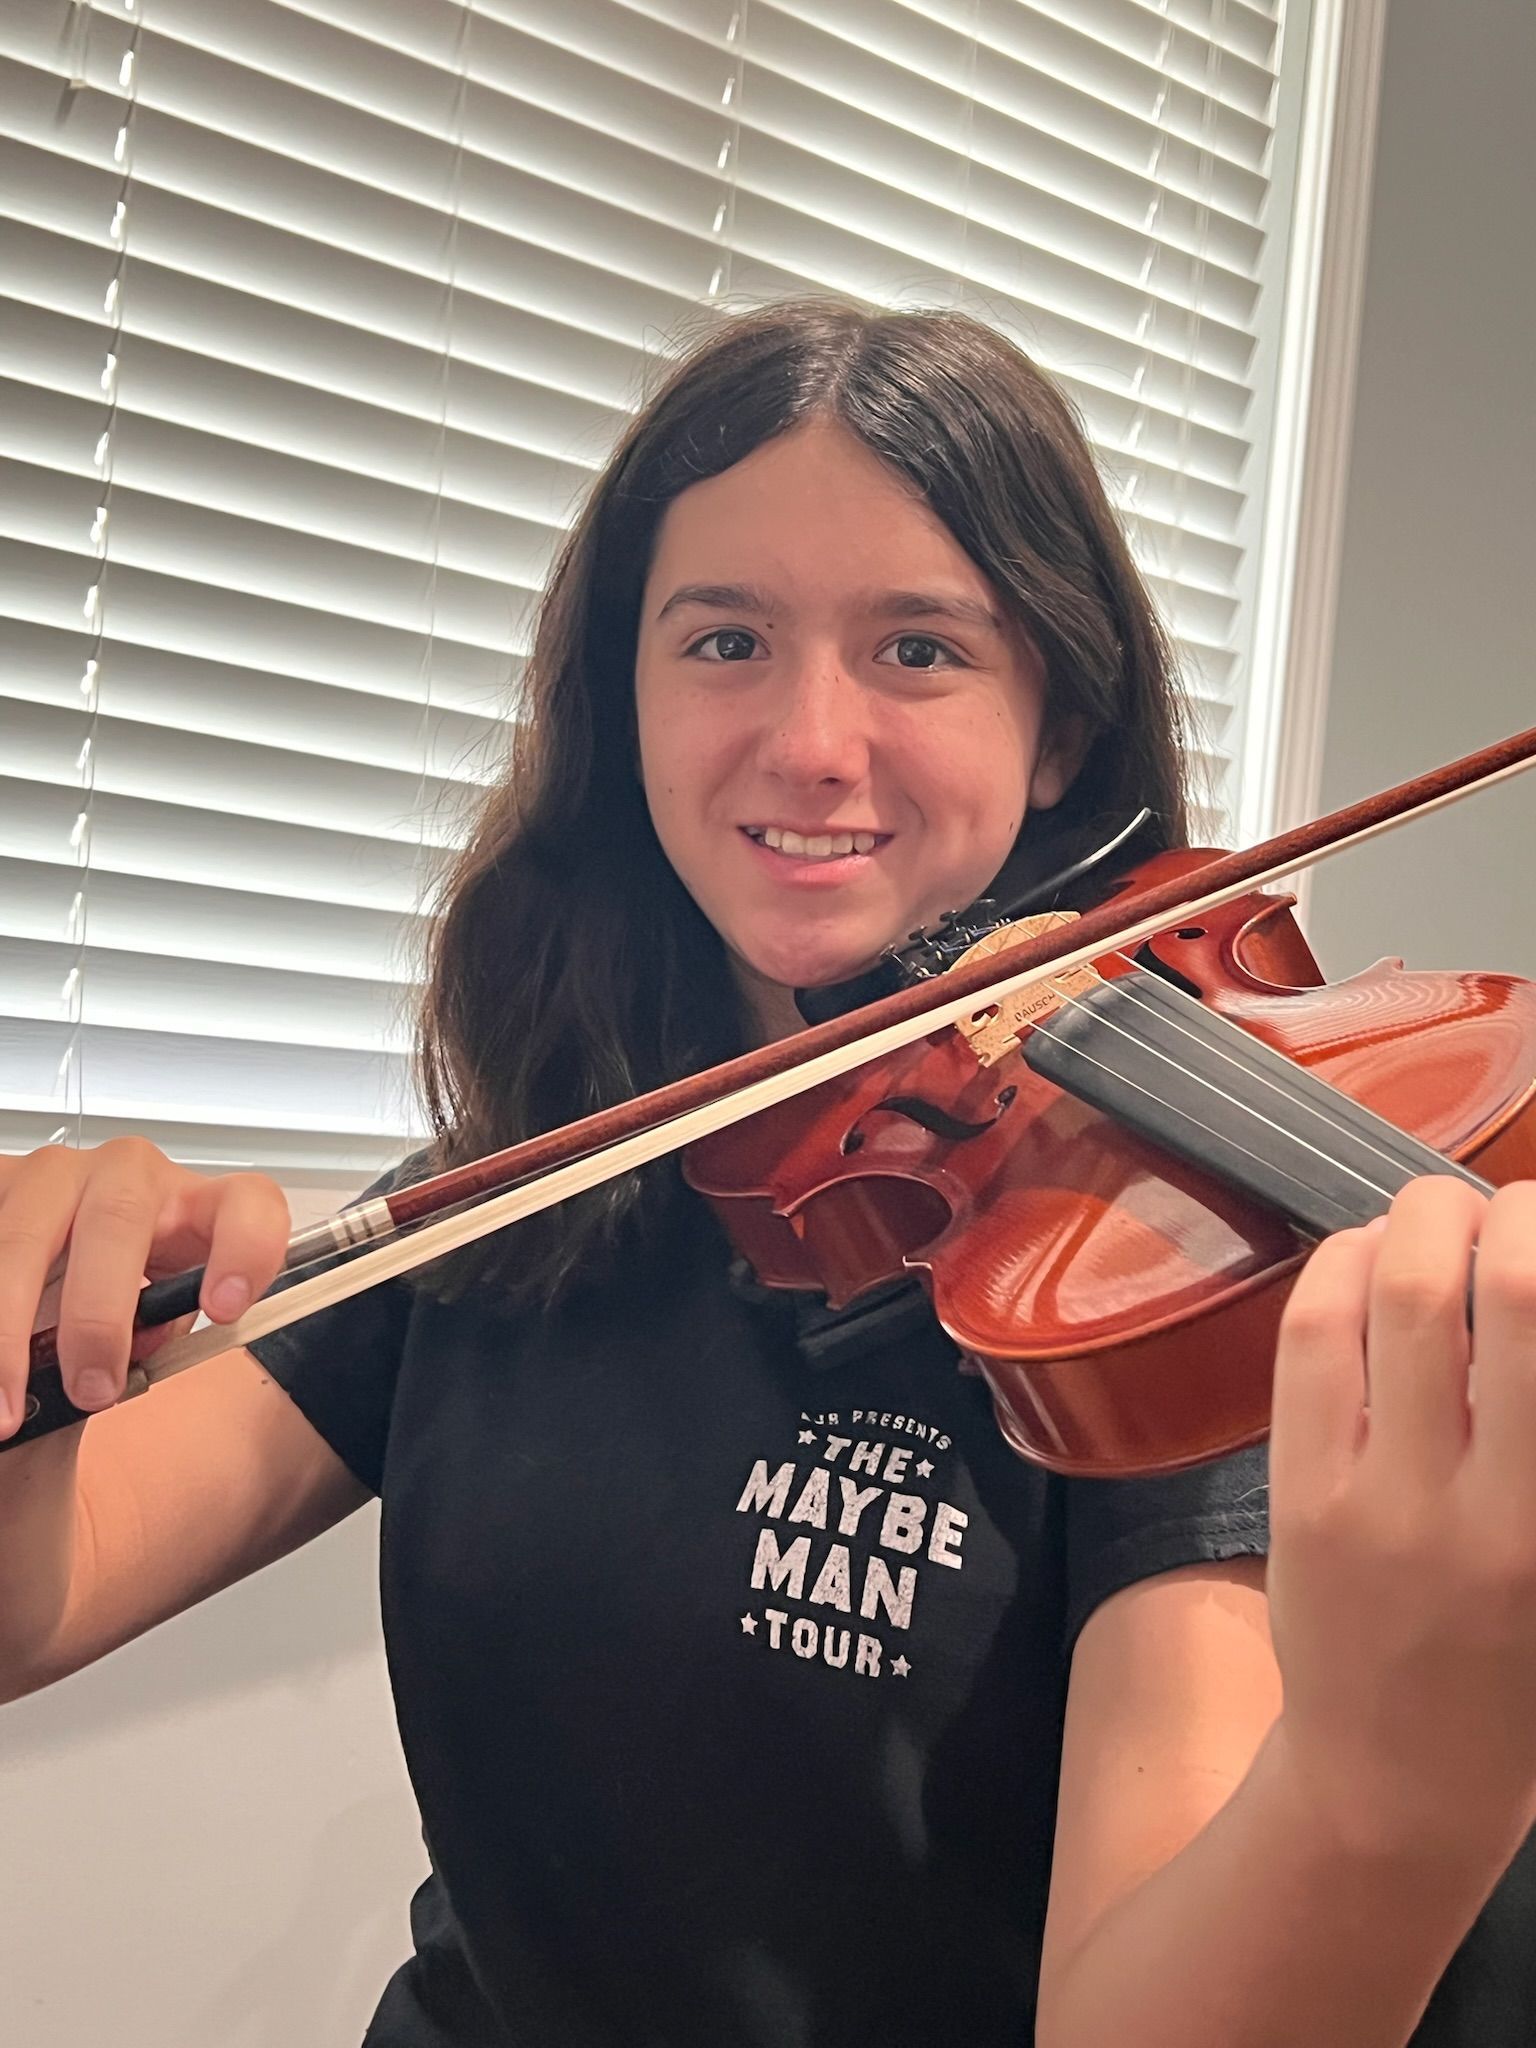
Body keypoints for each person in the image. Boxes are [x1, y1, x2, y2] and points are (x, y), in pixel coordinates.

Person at [2, 298, 1535, 2048]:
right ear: (623, 705)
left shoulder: (1170, 1267)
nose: (811, 741)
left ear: (1056, 729)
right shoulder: (524, 1184)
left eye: (920, 651)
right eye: (725, 642)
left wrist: (1392, 1797)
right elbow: (45, 1590)